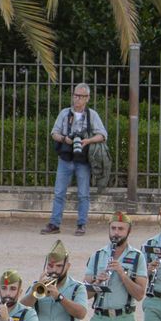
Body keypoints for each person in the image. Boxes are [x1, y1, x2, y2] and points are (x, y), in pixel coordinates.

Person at [42, 83, 107, 236]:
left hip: (83, 160)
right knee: (59, 193)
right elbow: (54, 133)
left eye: (81, 96)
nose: (77, 99)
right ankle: (54, 224)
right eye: (75, 95)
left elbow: (103, 135)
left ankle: (81, 224)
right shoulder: (65, 113)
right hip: (65, 158)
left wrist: (87, 141)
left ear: (87, 98)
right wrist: (65, 139)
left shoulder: (92, 115)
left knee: (83, 194)